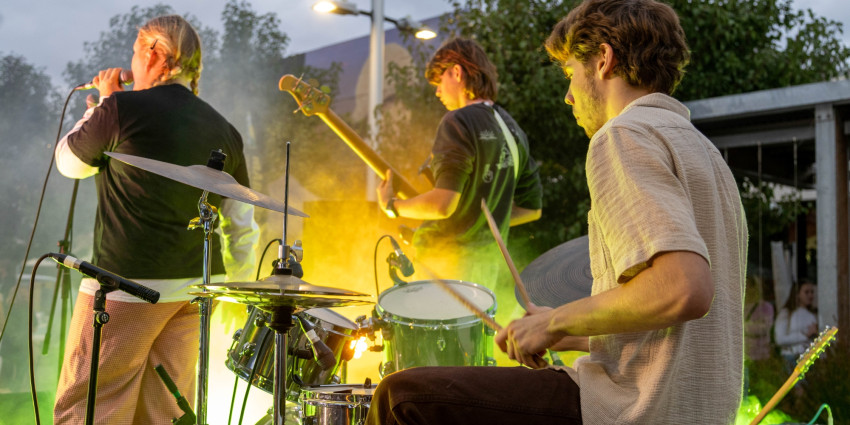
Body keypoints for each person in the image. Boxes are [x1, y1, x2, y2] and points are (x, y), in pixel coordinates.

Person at [366, 0, 747, 424]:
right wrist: (566, 330)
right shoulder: (704, 152)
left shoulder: (622, 135)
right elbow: (669, 327)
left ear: (603, 60)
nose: (568, 96)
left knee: (399, 396)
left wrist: (553, 323)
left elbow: (684, 288)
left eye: (570, 74)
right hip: (693, 411)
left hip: (623, 408)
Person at [53, 15, 258, 424]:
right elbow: (242, 223)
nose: (132, 61)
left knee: (94, 406)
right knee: (167, 411)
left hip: (126, 287)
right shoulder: (225, 129)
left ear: (153, 54)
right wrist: (235, 289)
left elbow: (69, 163)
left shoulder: (120, 108)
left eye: (135, 52)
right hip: (195, 292)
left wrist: (102, 104)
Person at [376, 37, 543, 326]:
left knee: (433, 349)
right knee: (473, 349)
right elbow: (532, 210)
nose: (437, 91)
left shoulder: (458, 121)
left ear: (456, 72)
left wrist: (392, 206)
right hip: (488, 270)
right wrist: (478, 220)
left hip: (447, 270)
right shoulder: (512, 128)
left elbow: (443, 205)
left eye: (439, 81)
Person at [774, 279, 818, 373]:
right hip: (792, 357)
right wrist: (805, 335)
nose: (810, 295)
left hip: (809, 357)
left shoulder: (812, 315)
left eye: (812, 292)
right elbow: (780, 339)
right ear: (797, 294)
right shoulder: (786, 313)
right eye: (806, 292)